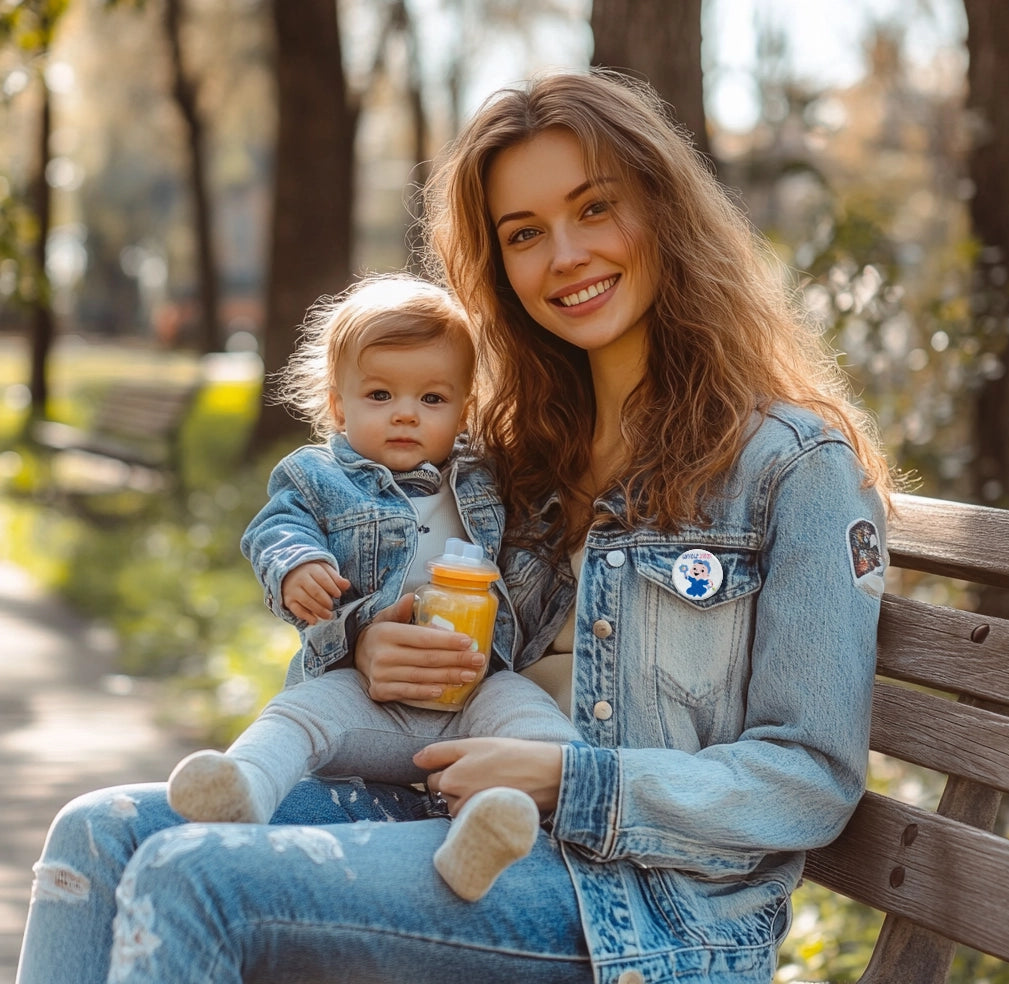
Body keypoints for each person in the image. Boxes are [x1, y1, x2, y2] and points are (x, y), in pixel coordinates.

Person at [15, 69, 893, 984]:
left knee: (195, 879)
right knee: (97, 836)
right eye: (524, 234)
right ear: (498, 267)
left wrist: (569, 779)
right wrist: (369, 645)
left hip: (638, 906)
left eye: (595, 209)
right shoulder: (507, 455)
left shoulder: (790, 466)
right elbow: (383, 597)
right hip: (449, 821)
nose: (565, 255)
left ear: (665, 211)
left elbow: (809, 778)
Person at [166, 272, 581, 902]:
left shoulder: (489, 480)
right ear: (340, 405)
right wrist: (298, 565)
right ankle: (244, 788)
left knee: (537, 724)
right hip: (364, 694)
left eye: (434, 399)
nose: (407, 414)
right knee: (299, 715)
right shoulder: (320, 477)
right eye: (381, 394)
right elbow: (278, 527)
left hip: (476, 689)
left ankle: (481, 836)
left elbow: (543, 545)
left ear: (465, 408)